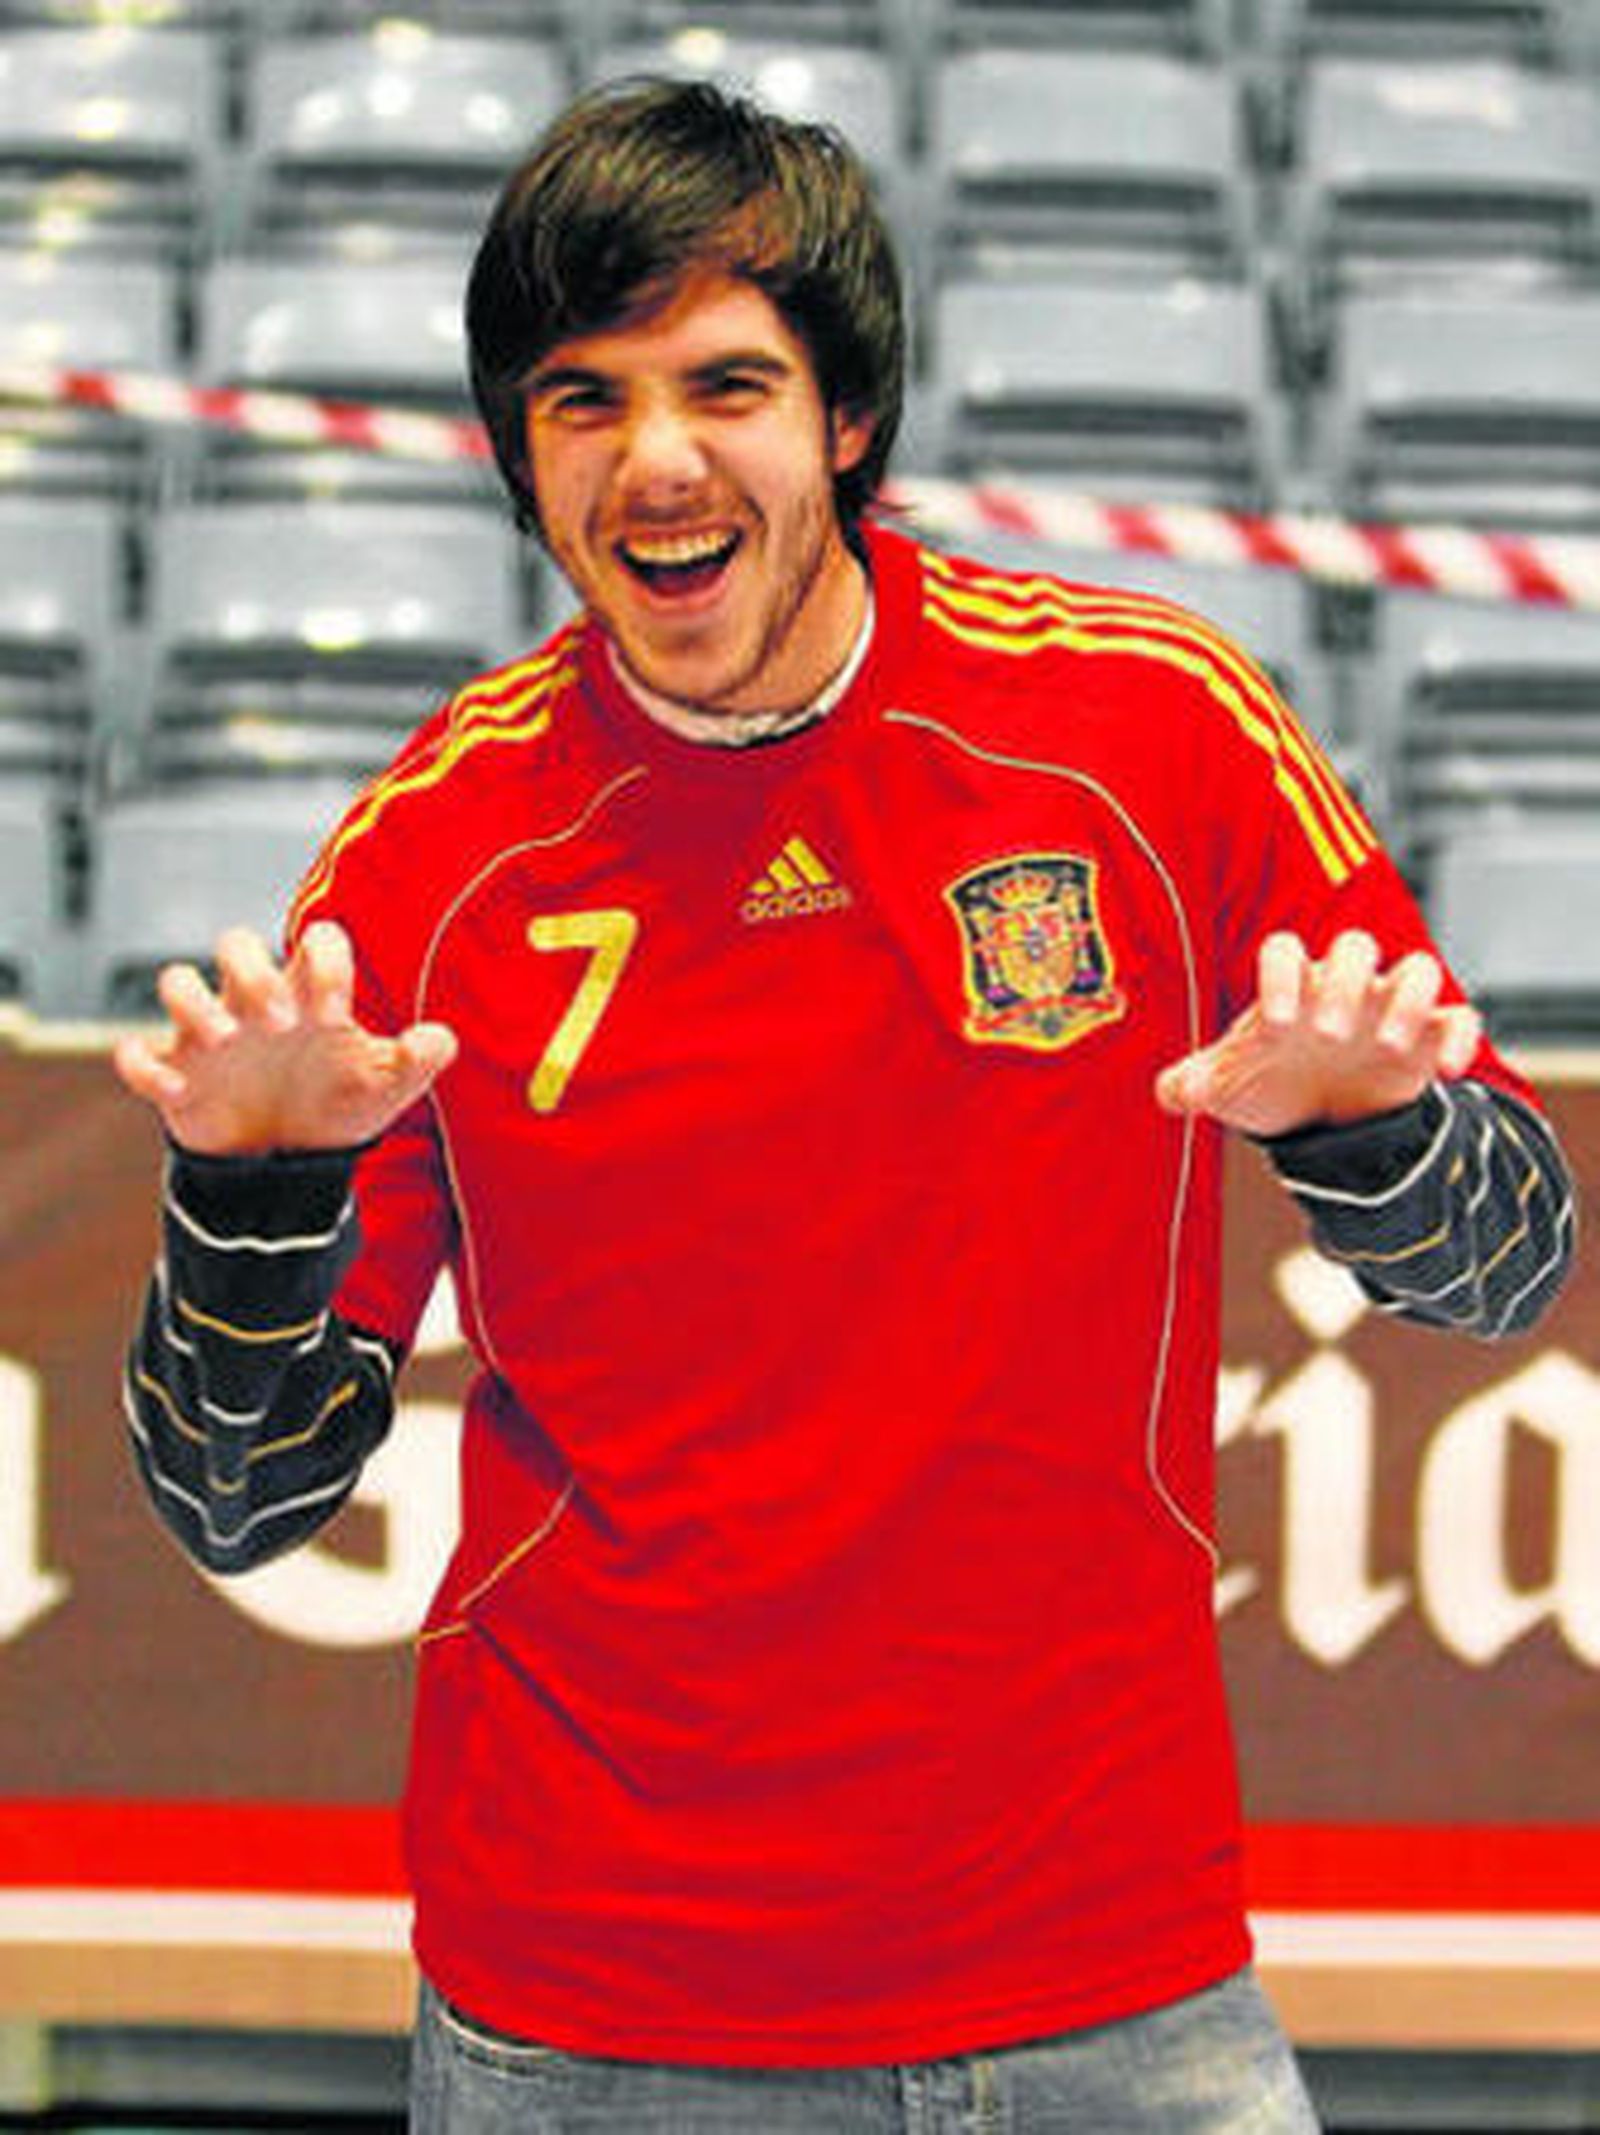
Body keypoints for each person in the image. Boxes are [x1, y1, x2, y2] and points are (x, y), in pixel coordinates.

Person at [116, 78, 1574, 2135]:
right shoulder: (429, 865)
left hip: (1113, 1991)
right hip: (592, 2021)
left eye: (726, 383)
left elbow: (1507, 1263)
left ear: (845, 421)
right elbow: (232, 1500)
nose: (657, 461)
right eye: (579, 400)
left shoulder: (1148, 738)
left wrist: (1367, 1135)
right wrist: (247, 1200)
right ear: (521, 459)